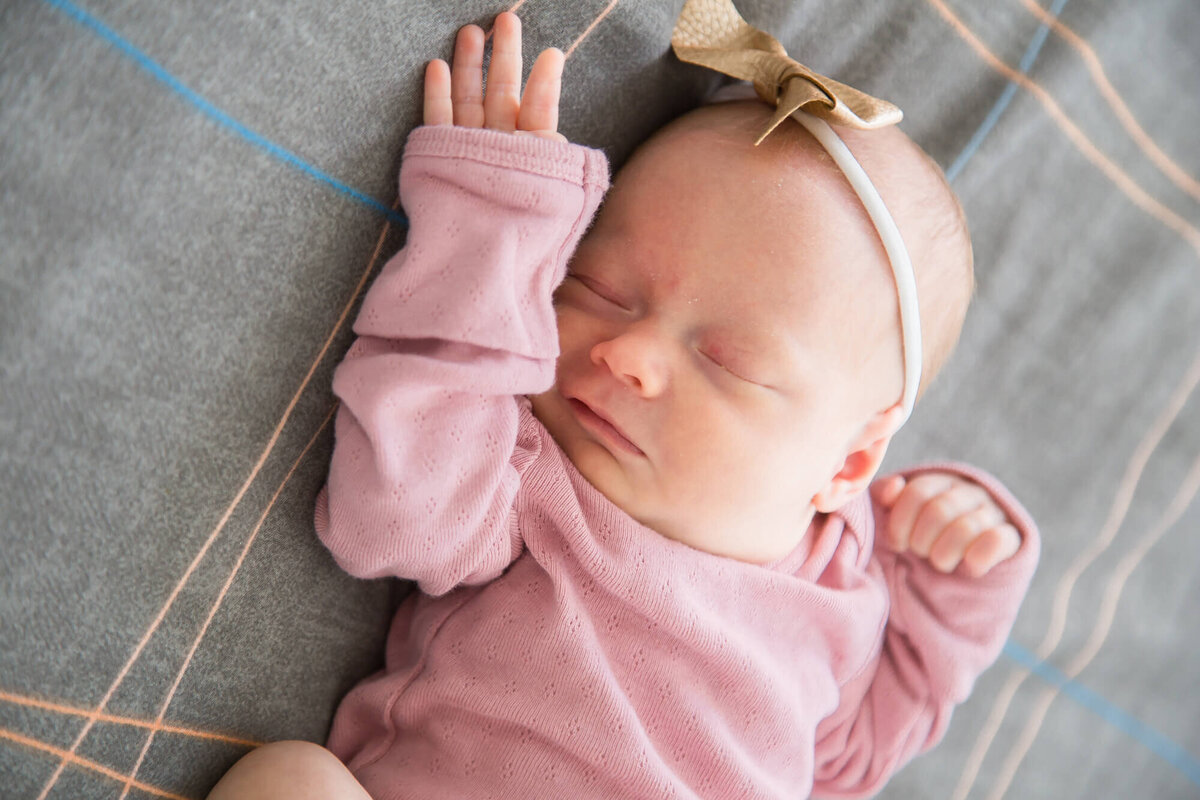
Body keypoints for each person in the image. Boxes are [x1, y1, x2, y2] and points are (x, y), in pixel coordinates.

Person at [208, 11, 1038, 800]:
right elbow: (388, 514)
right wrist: (489, 232)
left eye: (727, 362)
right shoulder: (537, 478)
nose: (629, 356)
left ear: (849, 463)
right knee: (291, 781)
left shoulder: (843, 587)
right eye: (598, 289)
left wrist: (952, 589)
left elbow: (855, 763)